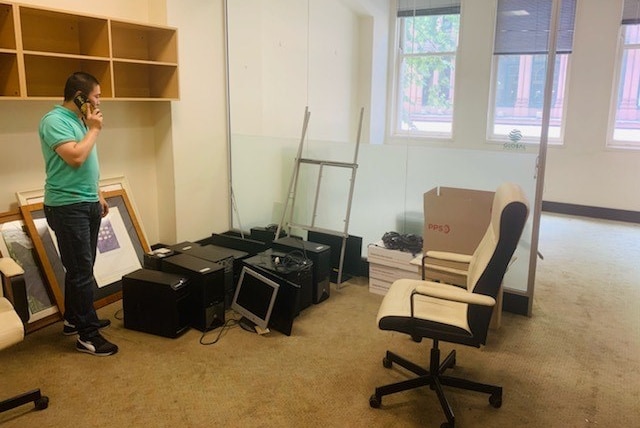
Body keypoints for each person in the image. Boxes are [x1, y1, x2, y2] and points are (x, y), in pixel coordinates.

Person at [39, 71, 118, 356]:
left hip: (86, 202)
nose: (98, 102)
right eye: (96, 96)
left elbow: (88, 162)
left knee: (81, 269)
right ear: (80, 96)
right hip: (66, 206)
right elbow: (75, 157)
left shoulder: (78, 121)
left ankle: (74, 318)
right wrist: (95, 129)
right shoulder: (53, 121)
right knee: (81, 271)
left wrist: (97, 194)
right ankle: (87, 336)